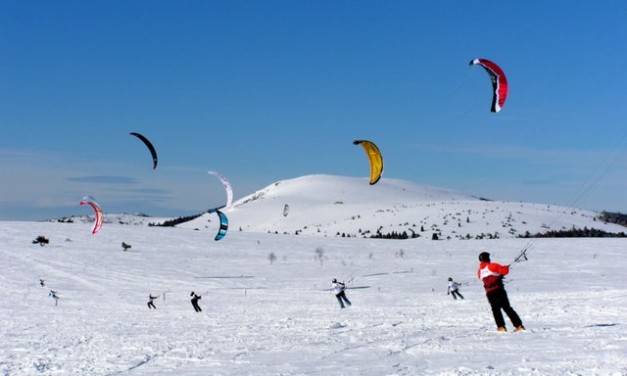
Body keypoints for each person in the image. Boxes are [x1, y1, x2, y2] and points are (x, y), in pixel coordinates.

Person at [477, 251, 525, 332]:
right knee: (507, 308)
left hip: (489, 293)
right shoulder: (492, 265)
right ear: (488, 258)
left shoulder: (479, 271)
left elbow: (482, 278)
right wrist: (506, 267)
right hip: (499, 290)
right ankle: (519, 326)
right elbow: (505, 271)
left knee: (495, 310)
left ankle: (501, 327)